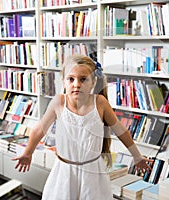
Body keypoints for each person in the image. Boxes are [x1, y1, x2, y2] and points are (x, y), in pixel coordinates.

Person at [12, 54, 151, 199]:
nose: (76, 84)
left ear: (93, 82)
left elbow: (121, 131)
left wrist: (137, 156)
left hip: (92, 173)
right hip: (64, 172)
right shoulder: (59, 102)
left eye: (83, 79)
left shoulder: (100, 102)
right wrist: (28, 152)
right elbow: (39, 129)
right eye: (70, 79)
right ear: (63, 82)